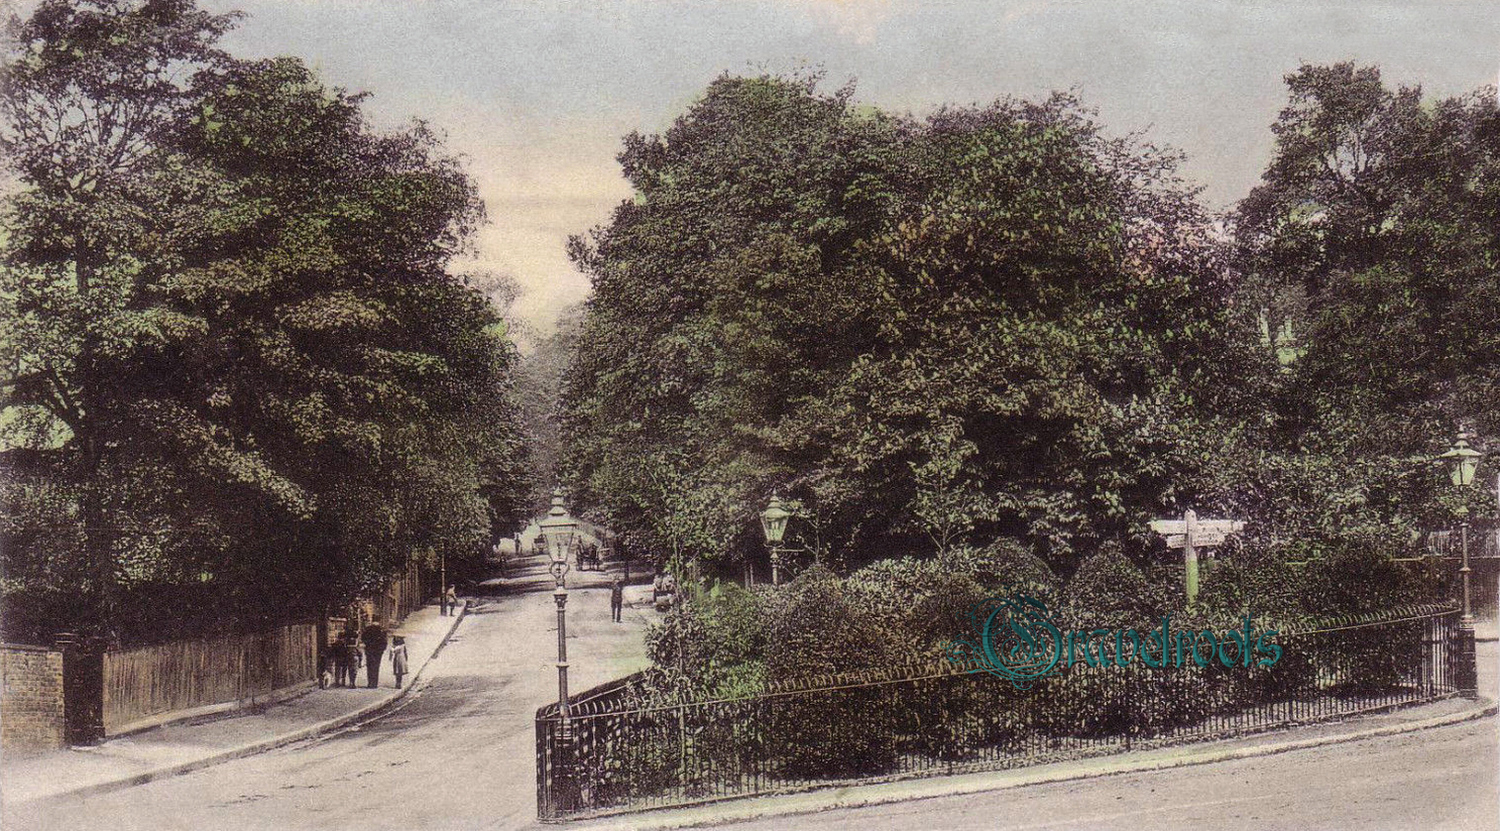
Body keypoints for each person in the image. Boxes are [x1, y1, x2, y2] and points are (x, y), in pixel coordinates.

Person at [361, 621, 388, 688]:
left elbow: (363, 638)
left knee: (369, 666)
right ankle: (374, 683)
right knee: (376, 667)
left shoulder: (368, 629)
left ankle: (370, 683)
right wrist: (382, 650)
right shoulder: (381, 630)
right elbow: (384, 642)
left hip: (370, 650)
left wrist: (367, 646)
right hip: (378, 652)